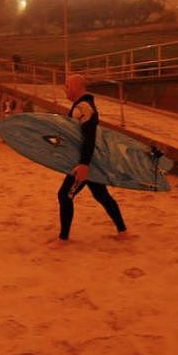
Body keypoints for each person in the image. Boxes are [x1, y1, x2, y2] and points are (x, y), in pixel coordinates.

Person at [53, 74, 127, 244]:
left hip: (86, 162)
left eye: (67, 85)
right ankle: (123, 231)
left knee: (65, 195)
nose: (65, 89)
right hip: (89, 160)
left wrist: (84, 165)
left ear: (77, 87)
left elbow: (89, 137)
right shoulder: (80, 106)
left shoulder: (84, 107)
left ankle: (63, 239)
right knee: (101, 195)